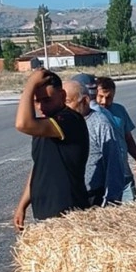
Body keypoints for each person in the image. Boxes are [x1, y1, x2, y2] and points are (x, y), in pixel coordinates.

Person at [12, 69, 90, 232]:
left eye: (46, 100)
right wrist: (22, 205)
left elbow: (22, 124)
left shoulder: (70, 120)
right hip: (45, 213)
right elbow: (39, 167)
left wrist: (30, 84)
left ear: (62, 96)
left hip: (68, 214)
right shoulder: (45, 125)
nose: (41, 107)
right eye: (36, 101)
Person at [63, 80, 126, 206]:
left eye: (67, 102)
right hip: (70, 196)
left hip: (93, 197)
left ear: (85, 101)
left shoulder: (100, 123)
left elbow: (113, 162)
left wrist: (112, 200)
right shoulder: (64, 122)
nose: (63, 107)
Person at [96, 76, 136, 202]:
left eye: (109, 98)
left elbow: (128, 138)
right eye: (101, 96)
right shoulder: (91, 115)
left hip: (124, 175)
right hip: (102, 179)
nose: (104, 101)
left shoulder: (119, 110)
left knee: (131, 212)